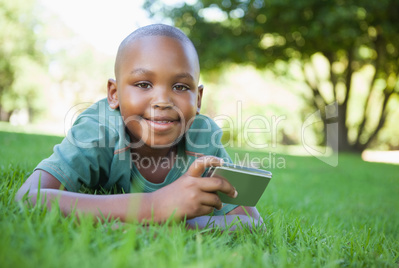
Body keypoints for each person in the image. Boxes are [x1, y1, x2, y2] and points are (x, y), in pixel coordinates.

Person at [16, 24, 263, 230]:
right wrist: (154, 206)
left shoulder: (203, 137)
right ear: (114, 94)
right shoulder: (98, 130)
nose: (163, 101)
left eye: (180, 87)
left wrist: (178, 225)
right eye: (144, 84)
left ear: (197, 99)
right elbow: (29, 198)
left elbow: (251, 221)